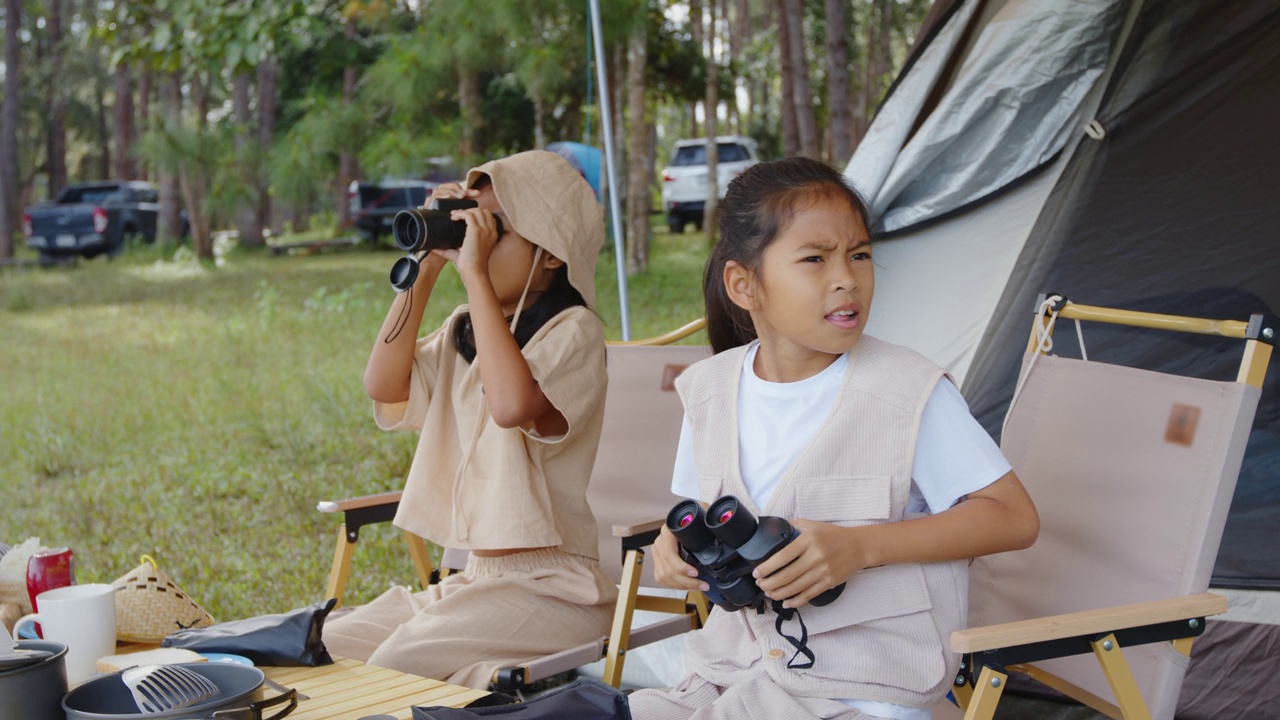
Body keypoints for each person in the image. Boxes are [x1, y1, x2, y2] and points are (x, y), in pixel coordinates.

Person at [629, 156, 1040, 720]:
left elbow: (1012, 517)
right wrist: (672, 546)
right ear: (744, 285)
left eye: (860, 254)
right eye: (815, 259)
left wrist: (861, 548)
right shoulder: (710, 391)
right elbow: (706, 508)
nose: (847, 277)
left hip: (865, 690)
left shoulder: (907, 391)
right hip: (734, 674)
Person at [322, 150, 618, 689]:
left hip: (556, 589)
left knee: (390, 668)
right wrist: (430, 263)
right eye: (466, 227)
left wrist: (475, 274)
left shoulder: (575, 332)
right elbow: (383, 385)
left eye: (491, 230)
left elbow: (510, 405)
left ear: (550, 254)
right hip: (476, 580)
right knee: (323, 646)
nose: (472, 242)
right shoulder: (467, 327)